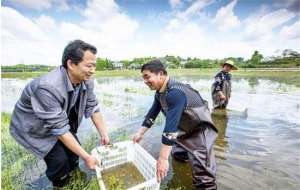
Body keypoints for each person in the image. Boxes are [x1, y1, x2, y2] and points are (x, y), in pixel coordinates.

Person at [9, 40, 110, 187]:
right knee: (59, 161)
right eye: (89, 65)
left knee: (74, 152)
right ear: (71, 64)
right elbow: (59, 128)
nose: (92, 70)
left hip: (58, 120)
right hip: (36, 127)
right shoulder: (47, 87)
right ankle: (61, 184)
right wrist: (87, 157)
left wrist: (104, 134)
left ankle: (75, 176)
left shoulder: (86, 80)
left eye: (94, 65)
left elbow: (93, 107)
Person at [133, 59, 218, 189]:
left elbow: (170, 128)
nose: (145, 81)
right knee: (178, 156)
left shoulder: (176, 93)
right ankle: (182, 176)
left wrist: (162, 159)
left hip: (200, 132)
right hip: (182, 130)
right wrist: (140, 133)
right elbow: (152, 114)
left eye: (147, 77)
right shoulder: (160, 93)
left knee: (204, 179)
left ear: (160, 74)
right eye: (143, 78)